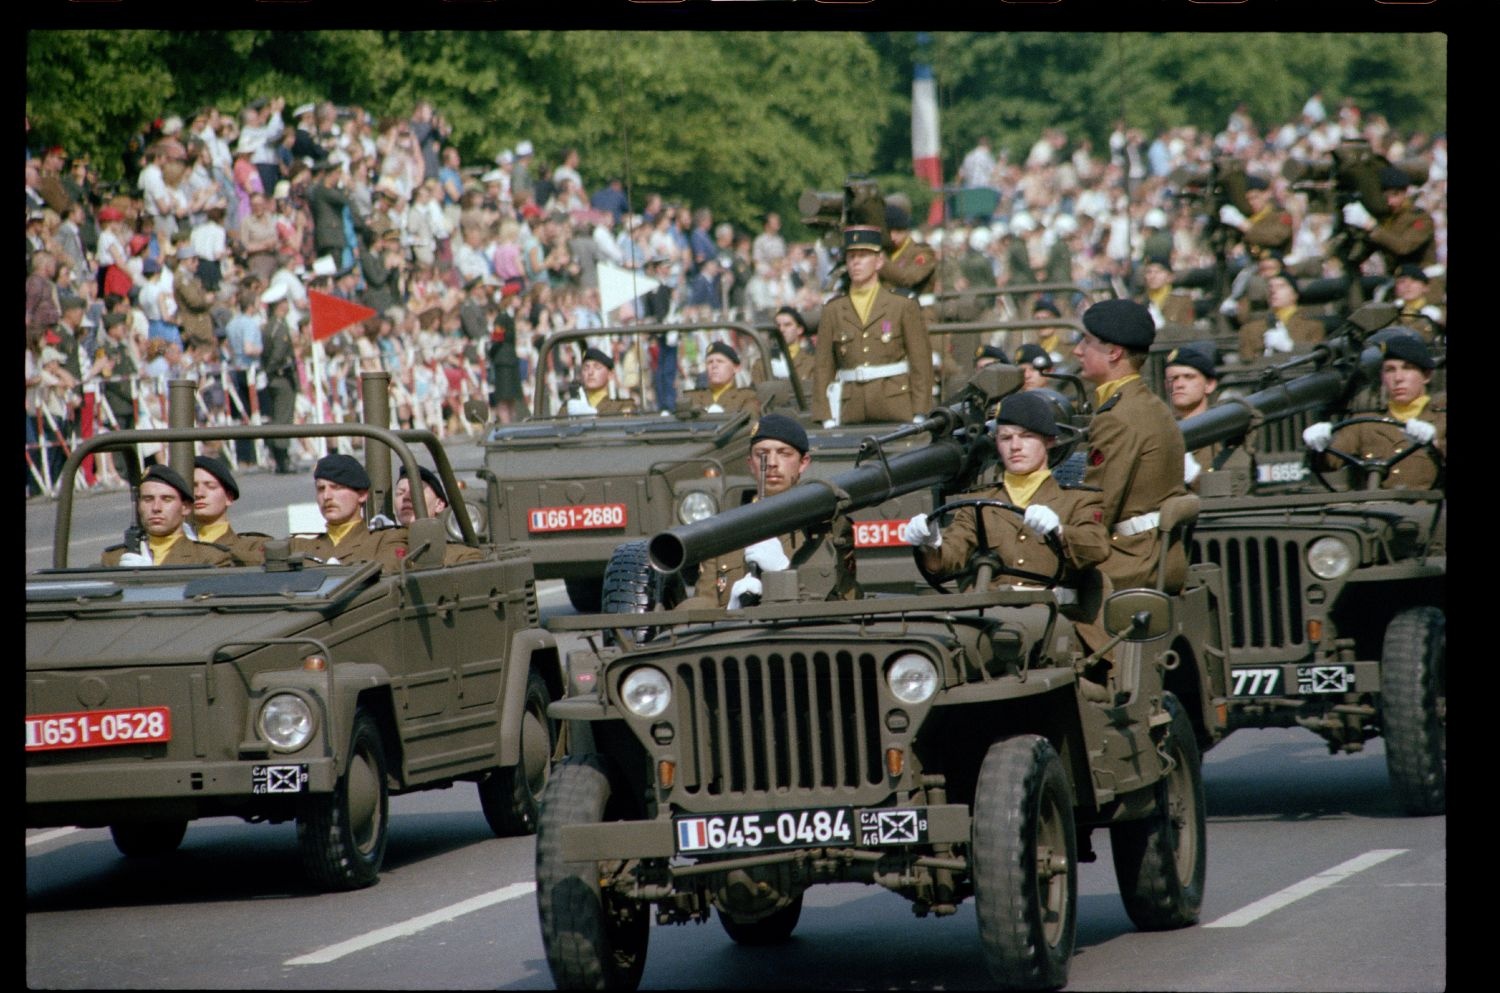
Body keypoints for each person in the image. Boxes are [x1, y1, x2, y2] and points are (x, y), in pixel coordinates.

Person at [904, 391, 1109, 591]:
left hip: (1053, 615)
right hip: (993, 615)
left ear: (1049, 441)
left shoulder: (1078, 500)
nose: (1015, 446)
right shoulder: (978, 503)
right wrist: (930, 544)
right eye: (1006, 438)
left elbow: (1097, 548)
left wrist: (1060, 532)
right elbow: (947, 560)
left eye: (1027, 436)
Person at [1073, 299, 1189, 592]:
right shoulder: (1149, 405)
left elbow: (1099, 508)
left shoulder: (1118, 418)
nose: (1077, 350)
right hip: (1155, 553)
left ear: (1114, 352)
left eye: (1086, 342)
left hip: (1132, 561)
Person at [684, 414, 859, 609]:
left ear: (804, 462)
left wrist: (783, 572)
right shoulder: (722, 532)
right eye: (763, 454)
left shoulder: (827, 528)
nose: (773, 463)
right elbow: (702, 609)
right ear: (751, 463)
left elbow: (846, 601)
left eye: (784, 453)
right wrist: (730, 611)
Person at [812, 225, 933, 426]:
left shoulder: (902, 306)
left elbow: (921, 363)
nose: (856, 262)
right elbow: (823, 366)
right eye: (851, 257)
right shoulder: (833, 310)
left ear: (879, 262)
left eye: (863, 256)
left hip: (896, 405)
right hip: (850, 408)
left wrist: (920, 411)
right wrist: (825, 415)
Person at [1303, 332, 1444, 490]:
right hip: (1376, 509)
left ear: (1426, 375)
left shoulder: (1441, 418)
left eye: (1407, 368)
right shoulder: (1365, 422)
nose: (1398, 378)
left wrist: (1436, 444)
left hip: (1430, 511)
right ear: (1382, 377)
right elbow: (1328, 463)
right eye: (1390, 370)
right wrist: (1320, 444)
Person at [289, 454, 408, 569]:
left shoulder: (385, 541)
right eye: (321, 489)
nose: (326, 496)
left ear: (361, 495)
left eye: (336, 488)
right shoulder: (299, 546)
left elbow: (387, 573)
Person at [101, 464, 235, 567]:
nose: (156, 508)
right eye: (148, 499)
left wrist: (145, 579)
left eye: (167, 499)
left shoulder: (210, 558)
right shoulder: (114, 558)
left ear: (186, 507)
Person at [1341, 165, 1438, 277]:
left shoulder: (1420, 218)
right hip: (1396, 279)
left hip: (1424, 281)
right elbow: (1364, 251)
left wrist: (1371, 225)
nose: (1390, 202)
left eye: (1395, 195)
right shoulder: (1386, 217)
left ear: (1405, 193)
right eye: (1385, 197)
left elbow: (1403, 247)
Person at [393, 464, 485, 564]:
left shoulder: (460, 556)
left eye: (416, 492)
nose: (406, 497)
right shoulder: (383, 545)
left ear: (439, 505)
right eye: (400, 493)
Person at [190, 455, 268, 565]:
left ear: (229, 498)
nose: (199, 494)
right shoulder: (171, 545)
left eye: (210, 486)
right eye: (193, 486)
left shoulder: (252, 547)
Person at [1162, 344, 1221, 489]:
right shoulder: (1161, 433)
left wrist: (1193, 475)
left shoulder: (1222, 433)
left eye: (1188, 377)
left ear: (1210, 385)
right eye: (1173, 379)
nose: (1179, 384)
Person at [1236, 271, 1324, 360]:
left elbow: (1316, 356)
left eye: (1280, 286)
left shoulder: (1313, 327)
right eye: (1270, 287)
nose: (1273, 291)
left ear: (1294, 294)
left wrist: (1291, 347)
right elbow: (1246, 362)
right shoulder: (1249, 330)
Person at [259, 282, 298, 474]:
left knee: (278, 416)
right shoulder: (280, 328)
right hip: (281, 377)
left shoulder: (269, 326)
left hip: (274, 378)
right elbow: (278, 354)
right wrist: (272, 370)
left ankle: (280, 457)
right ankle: (282, 459)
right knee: (283, 419)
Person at [1216, 174, 1294, 261]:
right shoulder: (1249, 216)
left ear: (1266, 194)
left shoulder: (1280, 215)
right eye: (1248, 199)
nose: (1251, 203)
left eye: (1255, 197)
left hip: (1272, 262)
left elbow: (1275, 237)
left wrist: (1245, 226)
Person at [679, 341, 759, 415]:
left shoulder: (747, 397)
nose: (714, 366)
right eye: (710, 362)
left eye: (720, 361)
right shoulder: (690, 398)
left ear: (736, 368)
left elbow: (751, 424)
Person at [879, 201, 937, 301]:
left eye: (898, 231)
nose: (893, 237)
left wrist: (881, 261)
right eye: (889, 232)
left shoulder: (922, 252)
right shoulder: (885, 251)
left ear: (906, 230)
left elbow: (907, 279)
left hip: (918, 312)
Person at [566, 346, 638, 415]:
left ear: (610, 375)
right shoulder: (570, 407)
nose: (590, 372)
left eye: (597, 367)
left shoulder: (622, 406)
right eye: (586, 368)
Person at [1389, 264, 1444, 344]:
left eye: (1414, 281)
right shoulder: (1393, 310)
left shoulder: (1436, 311)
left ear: (1425, 287)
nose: (1407, 286)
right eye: (1401, 282)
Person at [1137, 255, 1195, 329]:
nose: (1153, 276)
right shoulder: (1139, 303)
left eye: (1158, 272)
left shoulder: (1182, 301)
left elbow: (1188, 330)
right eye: (1149, 272)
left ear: (1170, 277)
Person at [771, 305, 816, 391]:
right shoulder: (762, 363)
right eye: (778, 325)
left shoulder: (813, 363)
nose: (781, 329)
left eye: (787, 325)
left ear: (799, 329)